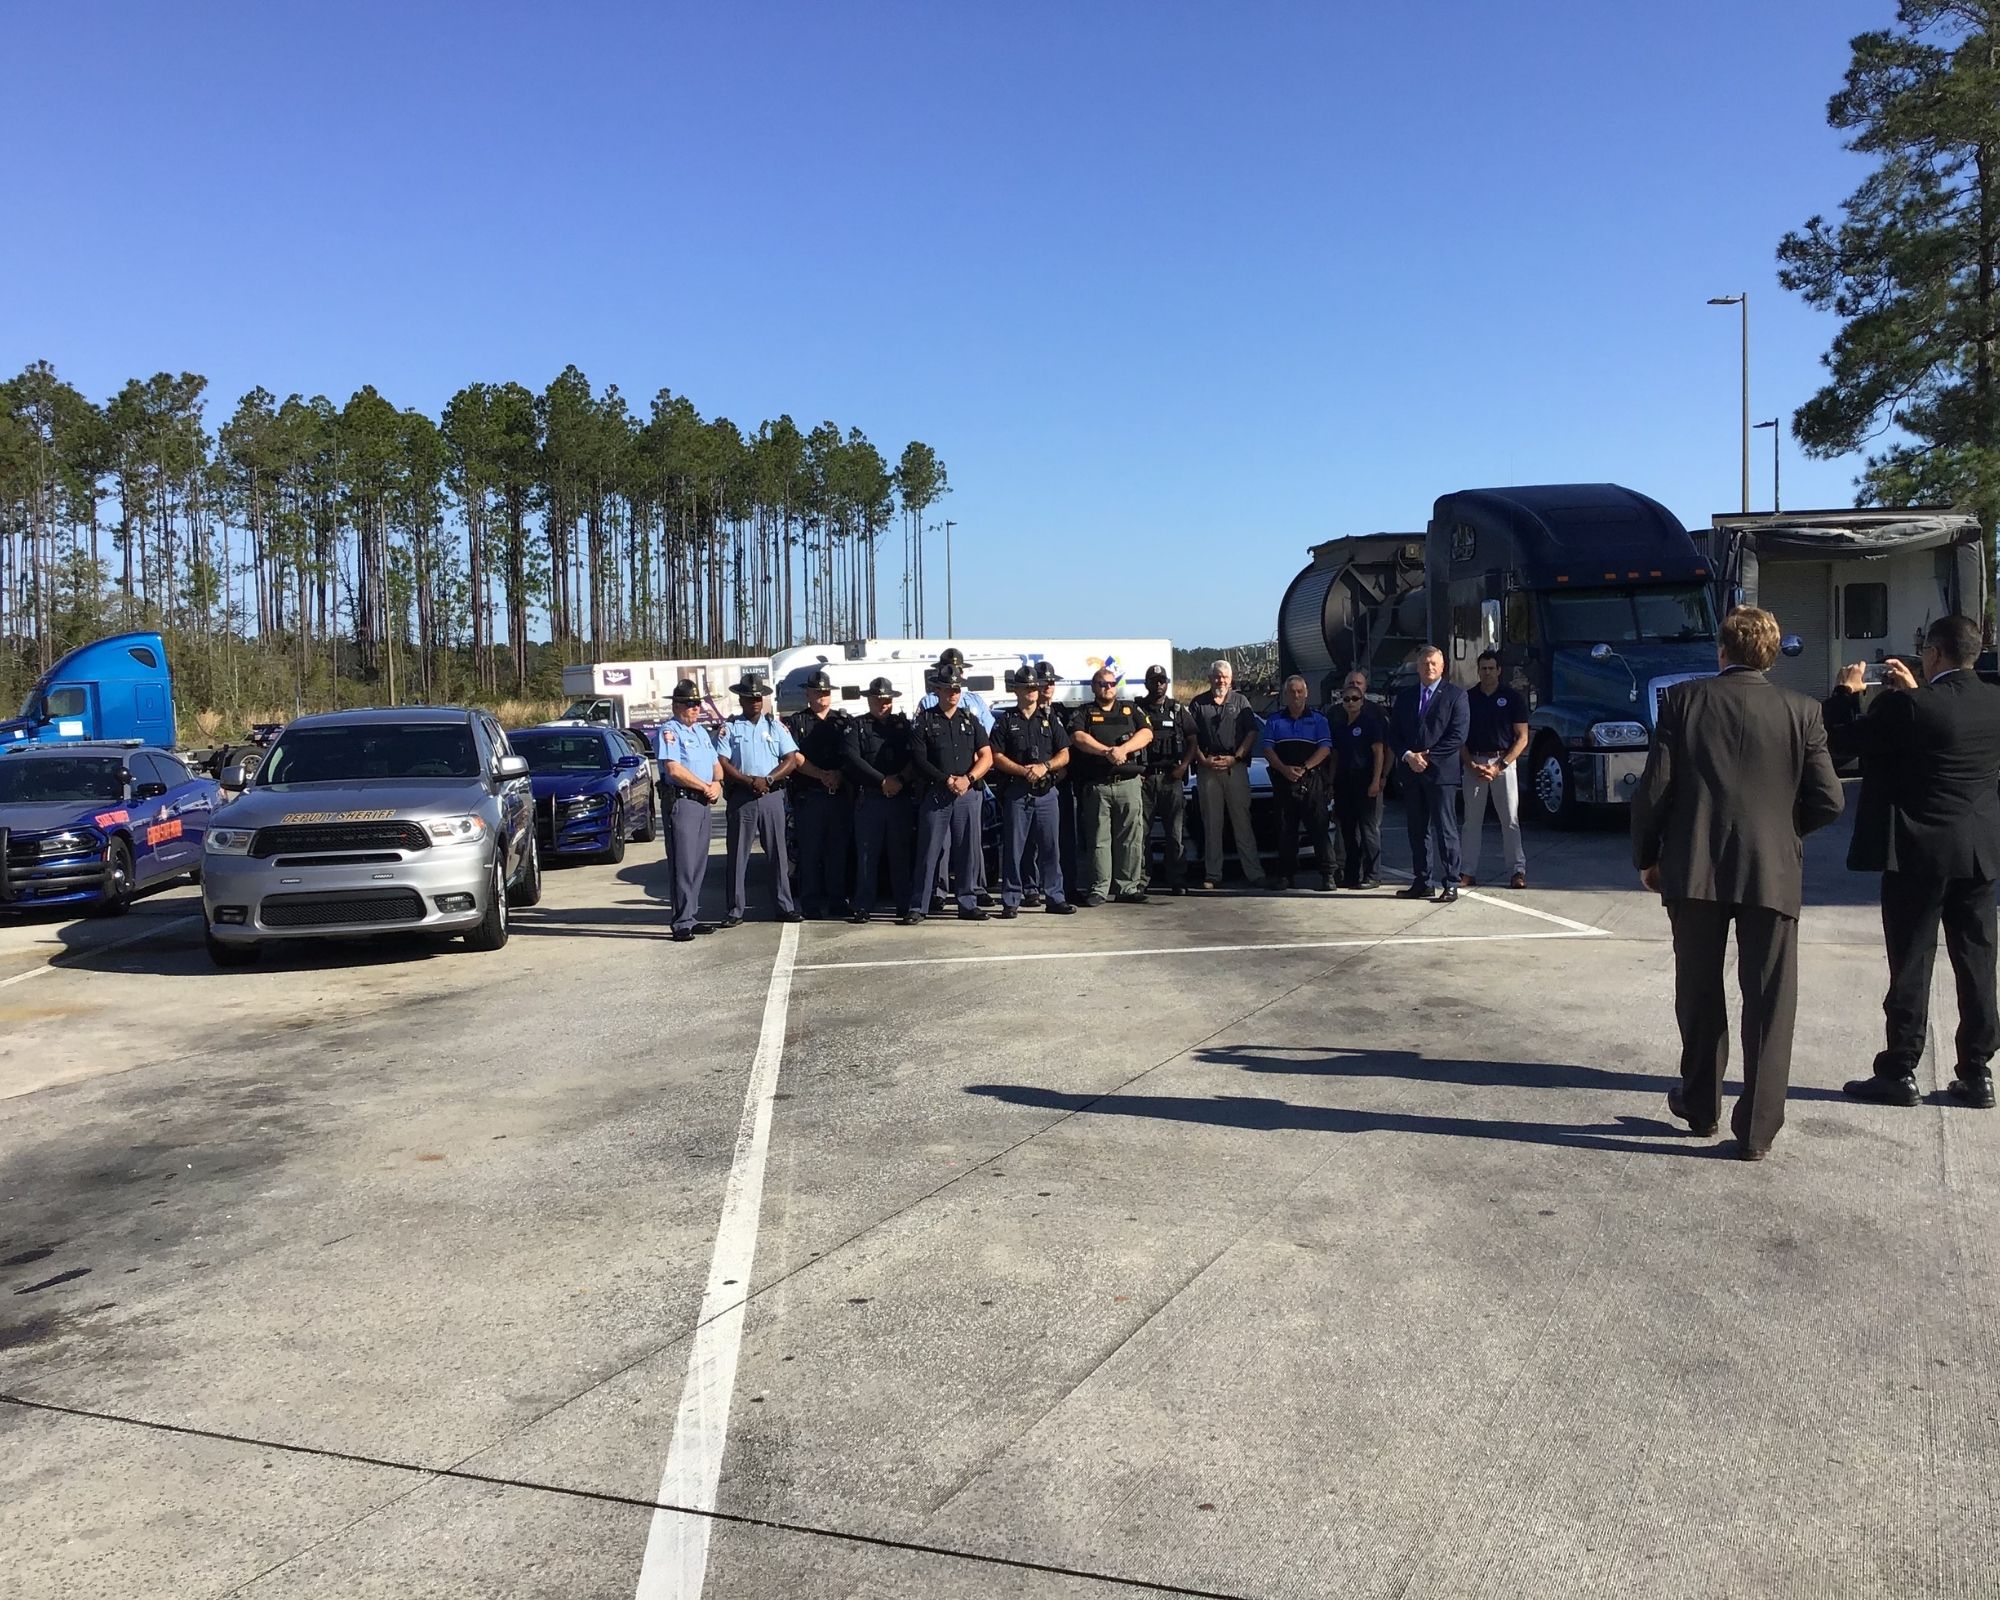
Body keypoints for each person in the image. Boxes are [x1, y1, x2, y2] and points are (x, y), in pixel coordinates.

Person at [1632, 605, 1844, 1160]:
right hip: (1771, 871)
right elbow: (1830, 799)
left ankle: (1700, 1106)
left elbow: (1654, 790)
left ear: (1721, 651)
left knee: (1699, 992)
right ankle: (1756, 1131)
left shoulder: (1683, 700)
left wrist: (1647, 857)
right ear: (1771, 655)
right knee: (1771, 1000)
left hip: (1695, 869)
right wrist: (1781, 832)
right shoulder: (1804, 711)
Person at [1825, 615, 2000, 1110]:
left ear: (1936, 655)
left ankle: (1900, 1069)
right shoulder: (1993, 701)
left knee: (1912, 962)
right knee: (1978, 961)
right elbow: (1948, 719)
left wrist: (1848, 693)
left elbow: (1840, 742)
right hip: (1981, 851)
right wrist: (1915, 692)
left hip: (1919, 853)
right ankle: (1978, 1071)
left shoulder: (1909, 707)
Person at [987, 666, 1076, 917]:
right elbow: (996, 756)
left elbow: (1065, 753)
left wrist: (1045, 766)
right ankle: (1012, 899)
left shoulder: (1049, 719)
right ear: (1016, 690)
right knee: (1015, 849)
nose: (1033, 691)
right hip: (1017, 791)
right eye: (1027, 687)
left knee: (1051, 848)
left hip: (1046, 792)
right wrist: (1021, 770)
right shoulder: (1006, 721)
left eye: (1035, 687)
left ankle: (1055, 897)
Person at [716, 671, 803, 928]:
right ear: (740, 700)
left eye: (757, 698)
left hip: (771, 795)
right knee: (737, 855)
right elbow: (722, 760)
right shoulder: (730, 727)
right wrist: (747, 780)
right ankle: (735, 909)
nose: (754, 702)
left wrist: (769, 780)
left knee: (778, 853)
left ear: (763, 700)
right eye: (748, 698)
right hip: (742, 796)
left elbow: (790, 759)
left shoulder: (775, 727)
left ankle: (784, 906)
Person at [911, 663, 992, 921]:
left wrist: (968, 779)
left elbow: (986, 756)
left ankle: (967, 903)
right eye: (947, 689)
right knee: (929, 852)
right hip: (937, 794)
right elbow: (919, 759)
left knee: (967, 850)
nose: (953, 694)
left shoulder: (970, 720)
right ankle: (919, 906)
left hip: (965, 793)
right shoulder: (924, 720)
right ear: (937, 690)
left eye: (956, 689)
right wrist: (946, 779)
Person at [1067, 667, 1154, 904]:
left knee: (1131, 838)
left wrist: (1123, 750)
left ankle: (1127, 887)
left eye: (1111, 683)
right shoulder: (1084, 712)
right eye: (1102, 684)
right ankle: (1099, 888)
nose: (1108, 688)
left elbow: (1147, 733)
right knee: (1098, 839)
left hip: (1128, 783)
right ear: (1094, 687)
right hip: (1098, 786)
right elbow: (1077, 737)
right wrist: (1107, 752)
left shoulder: (1131, 709)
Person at [1390, 646, 1470, 903]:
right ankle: (1422, 881)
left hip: (1441, 775)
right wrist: (1408, 756)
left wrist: (1427, 757)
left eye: (1434, 663)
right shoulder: (1405, 697)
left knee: (1445, 829)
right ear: (1418, 667)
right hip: (1411, 773)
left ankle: (1451, 883)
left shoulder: (1456, 696)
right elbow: (1394, 734)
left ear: (1442, 666)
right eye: (1425, 663)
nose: (1429, 668)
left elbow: (1457, 736)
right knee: (1417, 829)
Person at [842, 676, 920, 926]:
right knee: (867, 854)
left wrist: (898, 780)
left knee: (901, 853)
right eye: (878, 699)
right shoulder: (857, 726)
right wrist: (881, 781)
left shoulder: (902, 726)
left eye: (887, 700)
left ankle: (904, 904)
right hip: (871, 799)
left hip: (899, 797)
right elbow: (853, 758)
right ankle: (863, 905)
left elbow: (915, 757)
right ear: (869, 699)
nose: (883, 704)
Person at [1187, 659, 1267, 889]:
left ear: (1231, 679)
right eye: (1216, 676)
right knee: (1212, 824)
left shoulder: (1241, 701)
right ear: (1209, 678)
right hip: (1207, 768)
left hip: (1235, 767)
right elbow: (1191, 736)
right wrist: (1202, 759)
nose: (1220, 680)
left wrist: (1237, 757)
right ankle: (1213, 874)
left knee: (1243, 822)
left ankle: (1254, 873)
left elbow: (1252, 733)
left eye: (1224, 676)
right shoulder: (1198, 703)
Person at [655, 680, 722, 942]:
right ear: (676, 705)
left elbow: (716, 766)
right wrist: (705, 786)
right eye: (690, 704)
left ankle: (691, 916)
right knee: (682, 863)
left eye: (698, 704)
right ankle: (681, 921)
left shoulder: (701, 732)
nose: (696, 709)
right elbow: (674, 769)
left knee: (697, 863)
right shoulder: (670, 732)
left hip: (703, 802)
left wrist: (716, 783)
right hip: (682, 802)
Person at [784, 669, 852, 920]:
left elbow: (852, 754)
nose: (822, 696)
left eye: (825, 692)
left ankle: (837, 900)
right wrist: (821, 775)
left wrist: (839, 775)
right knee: (810, 852)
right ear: (808, 694)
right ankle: (810, 902)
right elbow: (794, 756)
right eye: (817, 692)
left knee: (838, 851)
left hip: (838, 795)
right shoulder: (797, 722)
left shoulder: (843, 721)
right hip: (810, 795)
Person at [1461, 650, 1531, 889]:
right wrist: (1470, 763)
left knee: (1510, 819)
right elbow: (1459, 737)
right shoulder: (1468, 698)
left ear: (1499, 670)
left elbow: (1522, 738)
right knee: (1471, 821)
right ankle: (1467, 871)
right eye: (1483, 668)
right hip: (1474, 764)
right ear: (1478, 670)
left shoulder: (1512, 698)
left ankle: (1517, 870)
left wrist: (1500, 765)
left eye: (1491, 668)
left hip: (1503, 763)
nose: (1487, 672)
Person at [1260, 674, 1335, 891]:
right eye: (1291, 692)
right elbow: (1267, 749)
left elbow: (1325, 749)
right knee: (1285, 831)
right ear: (1285, 694)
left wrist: (1304, 768)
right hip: (1284, 781)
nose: (1296, 696)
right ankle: (1286, 876)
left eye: (1299, 691)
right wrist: (1284, 769)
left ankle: (1327, 875)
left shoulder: (1319, 720)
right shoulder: (1275, 720)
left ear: (1306, 693)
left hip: (1311, 780)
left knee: (1319, 829)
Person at [1135, 664, 1195, 895]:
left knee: (1175, 834)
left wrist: (1184, 766)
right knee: (1141, 834)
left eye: (1162, 680)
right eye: (1153, 680)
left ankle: (1177, 879)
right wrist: (1137, 771)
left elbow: (1192, 740)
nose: (1158, 685)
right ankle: (1141, 880)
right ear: (1147, 683)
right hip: (1146, 779)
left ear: (1167, 683)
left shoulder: (1178, 710)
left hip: (1172, 779)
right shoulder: (1137, 710)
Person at [1330, 671, 1388, 889]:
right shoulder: (1339, 724)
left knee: (1368, 830)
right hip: (1344, 782)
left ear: (1362, 700)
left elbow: (1379, 752)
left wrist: (1377, 780)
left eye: (1355, 698)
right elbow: (1335, 755)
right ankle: (1352, 874)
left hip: (1365, 780)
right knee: (1347, 830)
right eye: (1347, 699)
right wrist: (1331, 782)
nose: (1351, 702)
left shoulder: (1370, 723)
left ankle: (1373, 874)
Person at [1036, 658, 1079, 901]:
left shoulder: (1064, 712)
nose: (1048, 686)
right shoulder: (1024, 713)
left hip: (1060, 784)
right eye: (1043, 682)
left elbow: (1071, 747)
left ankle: (1068, 888)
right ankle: (1032, 889)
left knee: (1064, 841)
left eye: (1051, 682)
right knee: (1033, 843)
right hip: (1034, 785)